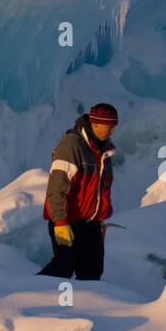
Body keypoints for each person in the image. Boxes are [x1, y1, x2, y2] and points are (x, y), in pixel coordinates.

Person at [36, 102, 118, 280]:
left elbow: (101, 189)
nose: (112, 131)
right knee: (62, 267)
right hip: (67, 221)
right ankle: (25, 292)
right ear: (95, 123)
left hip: (91, 224)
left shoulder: (104, 151)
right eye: (109, 126)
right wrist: (60, 222)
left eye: (114, 127)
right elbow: (57, 187)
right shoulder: (72, 145)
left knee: (92, 272)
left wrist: (99, 217)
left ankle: (82, 307)